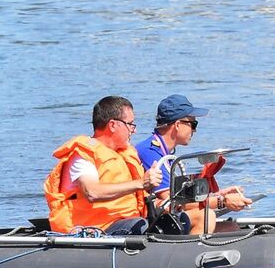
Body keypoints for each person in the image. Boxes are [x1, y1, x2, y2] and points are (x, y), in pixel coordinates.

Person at [44, 95, 162, 235]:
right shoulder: (82, 156)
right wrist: (141, 183)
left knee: (176, 220)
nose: (133, 130)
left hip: (126, 220)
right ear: (113, 125)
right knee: (140, 226)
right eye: (130, 124)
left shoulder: (123, 154)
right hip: (94, 229)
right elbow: (92, 192)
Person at [134, 93, 250, 231]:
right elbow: (173, 203)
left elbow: (180, 198)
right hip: (152, 220)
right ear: (177, 125)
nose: (195, 130)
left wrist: (219, 195)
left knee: (230, 228)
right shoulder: (151, 152)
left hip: (163, 215)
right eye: (193, 124)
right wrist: (222, 202)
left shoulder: (163, 152)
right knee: (206, 216)